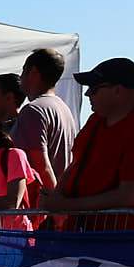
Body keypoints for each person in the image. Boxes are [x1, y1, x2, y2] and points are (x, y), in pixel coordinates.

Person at [39, 57, 134, 230]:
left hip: (118, 239)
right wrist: (57, 196)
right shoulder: (96, 120)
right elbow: (76, 164)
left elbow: (126, 196)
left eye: (94, 88)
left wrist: (64, 204)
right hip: (79, 231)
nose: (87, 94)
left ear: (118, 91)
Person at [14, 48, 79, 192]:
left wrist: (55, 208)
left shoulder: (33, 110)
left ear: (34, 73)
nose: (21, 76)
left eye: (24, 70)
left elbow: (41, 166)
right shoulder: (63, 108)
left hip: (42, 207)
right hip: (58, 201)